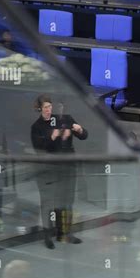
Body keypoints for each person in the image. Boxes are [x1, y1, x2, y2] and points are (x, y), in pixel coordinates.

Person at [31, 95, 88, 249]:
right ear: (40, 109)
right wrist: (52, 137)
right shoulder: (37, 127)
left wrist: (79, 129)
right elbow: (39, 149)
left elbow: (84, 135)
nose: (49, 110)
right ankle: (47, 234)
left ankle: (65, 232)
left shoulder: (65, 119)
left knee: (67, 200)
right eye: (45, 108)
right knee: (49, 202)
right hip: (49, 170)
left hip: (68, 167)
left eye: (50, 107)